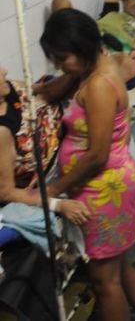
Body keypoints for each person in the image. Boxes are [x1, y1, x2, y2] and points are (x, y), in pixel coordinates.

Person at [38, 9, 135, 321]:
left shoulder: (99, 85)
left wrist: (51, 192)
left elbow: (97, 154)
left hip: (104, 188)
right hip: (113, 183)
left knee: (105, 282)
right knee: (120, 268)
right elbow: (56, 87)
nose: (58, 65)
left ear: (82, 48)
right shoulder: (95, 65)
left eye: (62, 57)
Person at [0, 67, 90, 224]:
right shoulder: (2, 132)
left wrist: (77, 69)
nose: (5, 71)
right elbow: (6, 192)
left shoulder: (8, 89)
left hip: (62, 136)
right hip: (44, 181)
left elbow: (43, 91)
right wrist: (58, 205)